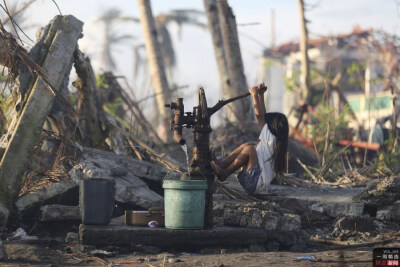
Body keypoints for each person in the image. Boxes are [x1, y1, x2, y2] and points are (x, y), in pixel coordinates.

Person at [211, 83, 289, 194]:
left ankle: (225, 173)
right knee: (247, 146)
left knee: (250, 149)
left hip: (254, 183)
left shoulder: (271, 138)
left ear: (273, 127)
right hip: (255, 182)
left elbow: (260, 116)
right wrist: (260, 95)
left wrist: (254, 95)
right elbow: (263, 115)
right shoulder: (275, 138)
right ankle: (222, 165)